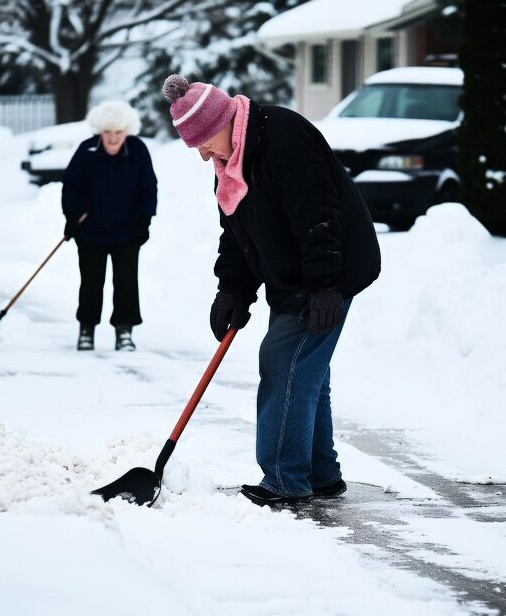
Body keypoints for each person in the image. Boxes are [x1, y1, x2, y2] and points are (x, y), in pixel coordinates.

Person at [162, 75, 381, 507]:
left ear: (224, 122)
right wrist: (232, 291)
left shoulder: (282, 137)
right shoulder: (231, 167)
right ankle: (319, 474)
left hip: (329, 270)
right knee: (307, 372)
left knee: (284, 362)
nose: (204, 154)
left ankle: (285, 477)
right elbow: (240, 234)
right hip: (295, 276)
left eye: (204, 141)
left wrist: (323, 287)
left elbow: (320, 216)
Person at [62, 100, 157, 351]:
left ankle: (124, 331)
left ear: (127, 132)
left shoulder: (137, 150)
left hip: (127, 231)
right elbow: (71, 186)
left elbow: (148, 188)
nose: (113, 138)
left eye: (118, 133)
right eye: (108, 133)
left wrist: (145, 221)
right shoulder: (86, 151)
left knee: (126, 282)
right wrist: (72, 218)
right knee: (91, 282)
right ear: (99, 132)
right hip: (90, 230)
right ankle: (87, 330)